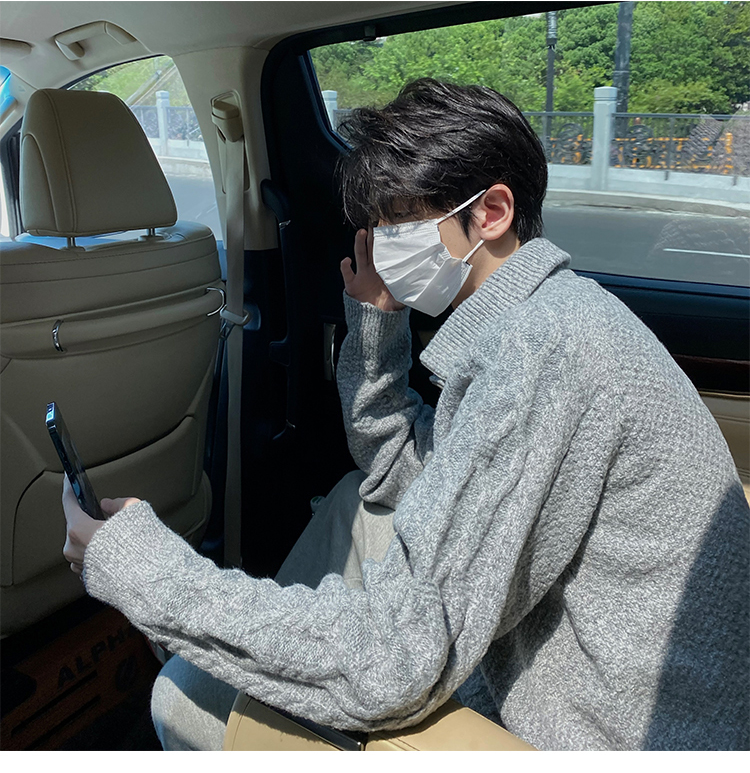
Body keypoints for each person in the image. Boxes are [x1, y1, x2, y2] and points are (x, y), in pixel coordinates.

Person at [62, 79, 749, 751]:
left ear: (492, 212)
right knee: (355, 503)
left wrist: (148, 575)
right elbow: (401, 469)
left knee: (187, 693)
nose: (383, 246)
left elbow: (396, 660)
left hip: (605, 731)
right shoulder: (544, 318)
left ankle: (248, 660)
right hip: (572, 665)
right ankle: (268, 654)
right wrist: (376, 319)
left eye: (400, 226)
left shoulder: (547, 351)